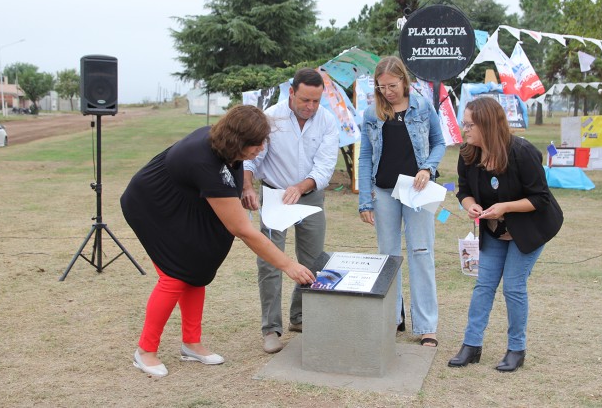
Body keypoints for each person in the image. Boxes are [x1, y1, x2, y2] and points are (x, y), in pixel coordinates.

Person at [120, 105, 315, 377]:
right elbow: (242, 229)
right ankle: (145, 351)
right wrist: (287, 265)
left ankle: (191, 343)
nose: (262, 148)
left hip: (184, 203)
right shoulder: (203, 160)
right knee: (175, 274)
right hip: (151, 206)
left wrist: (245, 188)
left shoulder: (227, 149)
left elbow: (232, 179)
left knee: (196, 270)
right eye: (256, 143)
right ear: (238, 140)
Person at [448, 96, 563, 372]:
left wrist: (505, 208)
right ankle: (471, 345)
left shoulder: (522, 152)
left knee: (513, 288)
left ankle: (516, 349)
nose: (465, 130)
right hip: (494, 231)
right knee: (484, 286)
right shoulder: (468, 154)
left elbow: (540, 199)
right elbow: (464, 191)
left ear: (487, 125)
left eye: (470, 125)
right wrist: (471, 206)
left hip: (529, 229)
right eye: (464, 124)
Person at [241, 68, 339, 354]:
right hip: (273, 194)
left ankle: (300, 316)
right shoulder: (270, 117)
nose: (310, 107)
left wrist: (301, 186)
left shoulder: (327, 122)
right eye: (305, 100)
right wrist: (247, 186)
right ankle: (271, 329)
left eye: (316, 101)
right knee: (270, 262)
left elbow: (324, 166)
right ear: (292, 93)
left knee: (314, 260)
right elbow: (251, 160)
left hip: (310, 195)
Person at [358, 56, 446, 347]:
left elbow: (439, 142)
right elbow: (367, 155)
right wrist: (364, 200)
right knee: (388, 257)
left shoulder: (423, 106)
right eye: (381, 87)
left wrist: (427, 168)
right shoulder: (372, 113)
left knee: (421, 253)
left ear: (404, 81)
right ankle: (392, 319)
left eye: (392, 85)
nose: (388, 92)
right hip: (383, 191)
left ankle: (426, 326)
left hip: (417, 190)